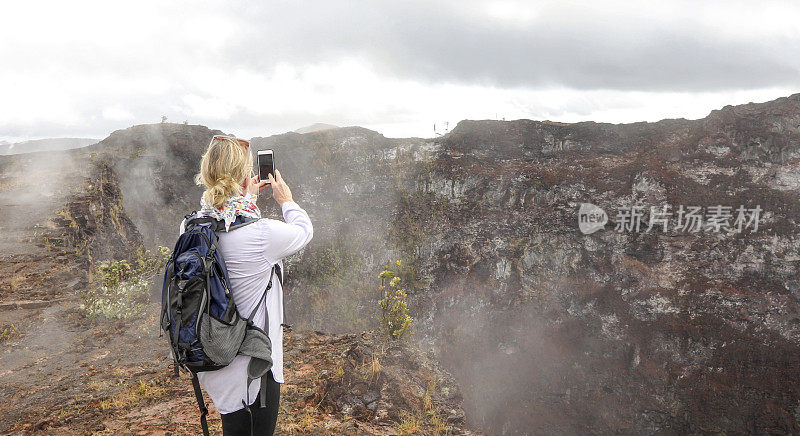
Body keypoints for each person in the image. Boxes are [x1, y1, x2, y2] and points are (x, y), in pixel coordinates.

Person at [180, 135, 313, 435]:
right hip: (253, 368)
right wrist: (286, 200)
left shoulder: (191, 226)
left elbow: (228, 225)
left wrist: (245, 198)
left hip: (212, 356)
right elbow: (304, 231)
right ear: (242, 174)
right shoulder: (264, 235)